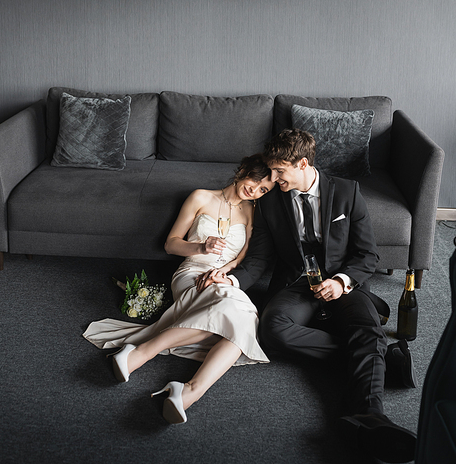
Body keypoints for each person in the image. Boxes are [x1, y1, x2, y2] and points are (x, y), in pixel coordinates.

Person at [203, 129, 417, 464]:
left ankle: (370, 418)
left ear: (303, 164)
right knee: (271, 330)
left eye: (279, 172)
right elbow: (259, 258)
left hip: (344, 283)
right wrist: (230, 280)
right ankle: (378, 360)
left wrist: (343, 281)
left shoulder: (347, 193)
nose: (272, 179)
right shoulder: (270, 201)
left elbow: (368, 255)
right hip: (297, 284)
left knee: (367, 329)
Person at [83, 154, 274, 425]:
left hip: (221, 277)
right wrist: (201, 248)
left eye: (263, 189)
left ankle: (187, 393)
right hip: (193, 272)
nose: (254, 190)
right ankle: (141, 355)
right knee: (241, 317)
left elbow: (242, 256)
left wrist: (224, 271)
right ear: (242, 170)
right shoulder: (201, 197)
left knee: (242, 319)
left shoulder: (252, 212)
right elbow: (171, 244)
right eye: (254, 181)